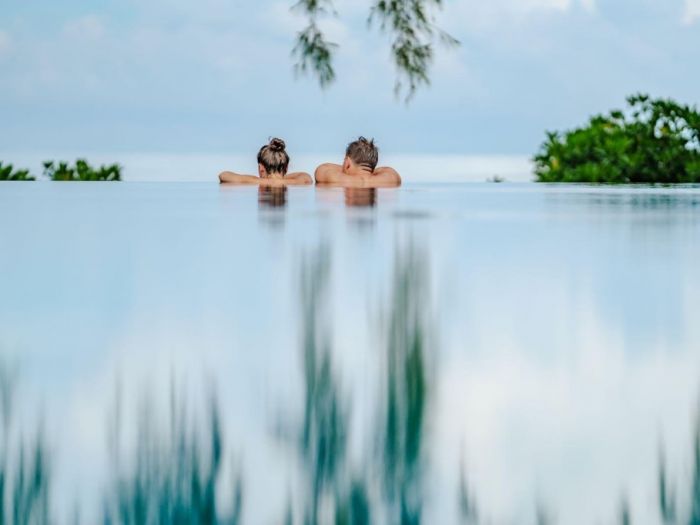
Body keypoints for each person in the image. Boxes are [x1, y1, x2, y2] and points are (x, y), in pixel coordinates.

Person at [314, 137, 401, 187]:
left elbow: (323, 168)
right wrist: (366, 167)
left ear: (347, 163)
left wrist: (350, 166)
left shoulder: (337, 179)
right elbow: (387, 170)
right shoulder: (389, 178)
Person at [219, 138, 312, 185]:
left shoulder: (256, 181)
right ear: (286, 168)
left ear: (261, 168)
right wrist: (279, 180)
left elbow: (224, 175)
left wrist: (262, 181)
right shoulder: (296, 182)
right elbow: (306, 177)